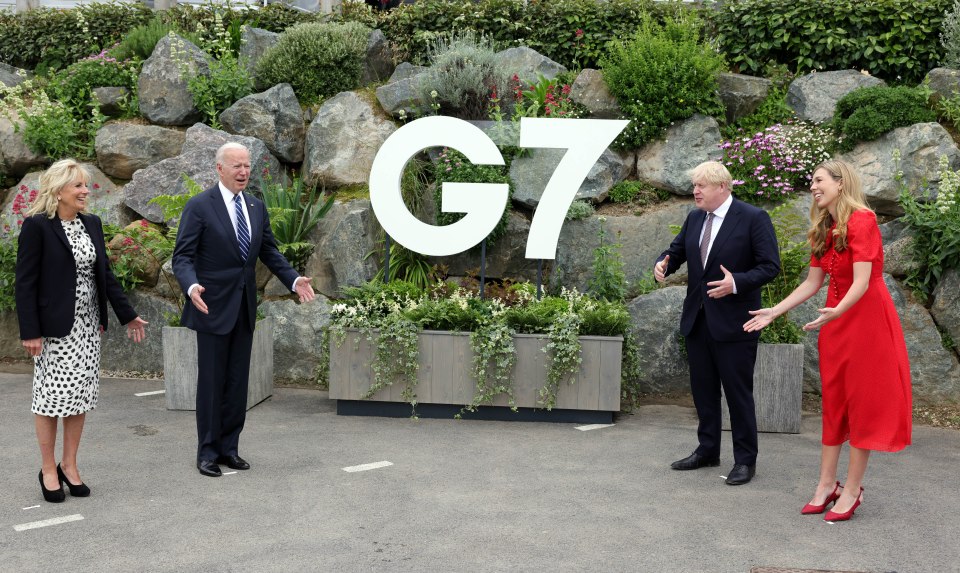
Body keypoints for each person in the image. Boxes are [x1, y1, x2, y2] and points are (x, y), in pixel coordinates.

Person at [744, 160, 911, 521]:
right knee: (835, 401)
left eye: (819, 180)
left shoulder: (863, 220)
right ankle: (825, 485)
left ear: (840, 182)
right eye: (812, 182)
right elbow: (811, 283)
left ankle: (851, 490)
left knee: (862, 404)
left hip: (866, 322)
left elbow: (863, 281)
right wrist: (775, 310)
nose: (814, 187)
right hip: (834, 321)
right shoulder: (826, 227)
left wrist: (838, 310)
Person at [172, 142, 316, 478]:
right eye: (236, 166)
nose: (243, 172)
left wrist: (294, 281)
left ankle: (229, 448)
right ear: (219, 169)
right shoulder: (199, 207)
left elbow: (270, 252)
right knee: (211, 384)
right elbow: (182, 257)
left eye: (247, 165)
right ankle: (206, 452)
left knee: (237, 384)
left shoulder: (255, 206)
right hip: (210, 307)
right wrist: (191, 286)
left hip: (244, 309)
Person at [15, 159, 148, 503]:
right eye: (78, 186)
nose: (85, 192)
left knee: (79, 396)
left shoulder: (92, 223)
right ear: (58, 191)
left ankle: (69, 465)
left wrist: (128, 315)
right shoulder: (37, 227)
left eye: (86, 186)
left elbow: (105, 275)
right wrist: (30, 330)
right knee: (50, 398)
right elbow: (25, 283)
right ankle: (48, 469)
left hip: (87, 327)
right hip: (52, 331)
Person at [654, 160, 780, 486]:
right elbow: (677, 251)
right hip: (698, 320)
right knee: (703, 392)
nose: (695, 191)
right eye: (694, 185)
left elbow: (770, 267)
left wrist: (735, 282)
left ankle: (745, 461)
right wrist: (663, 264)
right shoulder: (696, 217)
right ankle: (707, 450)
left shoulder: (753, 218)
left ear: (722, 187)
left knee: (738, 394)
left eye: (701, 186)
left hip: (736, 323)